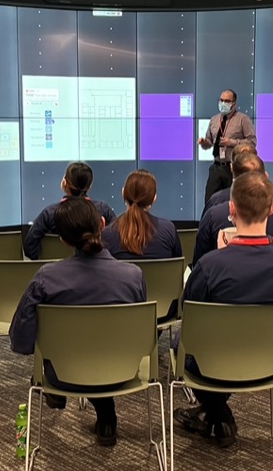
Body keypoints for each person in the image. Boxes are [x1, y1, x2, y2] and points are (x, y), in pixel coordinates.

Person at [173, 172, 273, 446]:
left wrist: (221, 254)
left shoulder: (209, 266)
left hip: (212, 364)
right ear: (271, 208)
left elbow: (189, 314)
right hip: (271, 362)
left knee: (179, 343)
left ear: (232, 209)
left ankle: (218, 413)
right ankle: (216, 414)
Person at [10, 198, 147, 447]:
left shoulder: (46, 278)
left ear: (62, 240)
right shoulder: (134, 276)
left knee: (66, 363)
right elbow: (142, 336)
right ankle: (106, 418)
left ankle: (61, 396)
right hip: (122, 372)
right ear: (103, 225)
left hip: (63, 374)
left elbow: (20, 341)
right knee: (98, 353)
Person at [192, 153, 273, 266]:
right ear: (272, 208)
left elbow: (198, 264)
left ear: (232, 209)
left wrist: (223, 256)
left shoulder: (213, 215)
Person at [23, 162, 118, 260]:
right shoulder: (102, 209)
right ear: (89, 186)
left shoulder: (49, 213)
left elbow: (29, 246)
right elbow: (116, 240)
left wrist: (47, 262)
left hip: (57, 268)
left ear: (64, 183)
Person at [101, 169, 182, 260]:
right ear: (154, 198)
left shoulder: (106, 235)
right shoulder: (169, 230)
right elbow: (178, 264)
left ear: (123, 193)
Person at [198, 89, 257, 204]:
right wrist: (204, 143)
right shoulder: (214, 120)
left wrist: (232, 143)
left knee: (233, 202)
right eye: (221, 100)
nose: (223, 103)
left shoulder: (243, 119)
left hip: (233, 168)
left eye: (227, 101)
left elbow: (252, 142)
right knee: (210, 202)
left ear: (234, 103)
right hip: (216, 167)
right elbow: (209, 142)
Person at [201, 142, 257, 216]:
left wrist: (230, 141)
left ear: (231, 167)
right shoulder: (270, 203)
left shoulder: (215, 203)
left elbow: (252, 141)